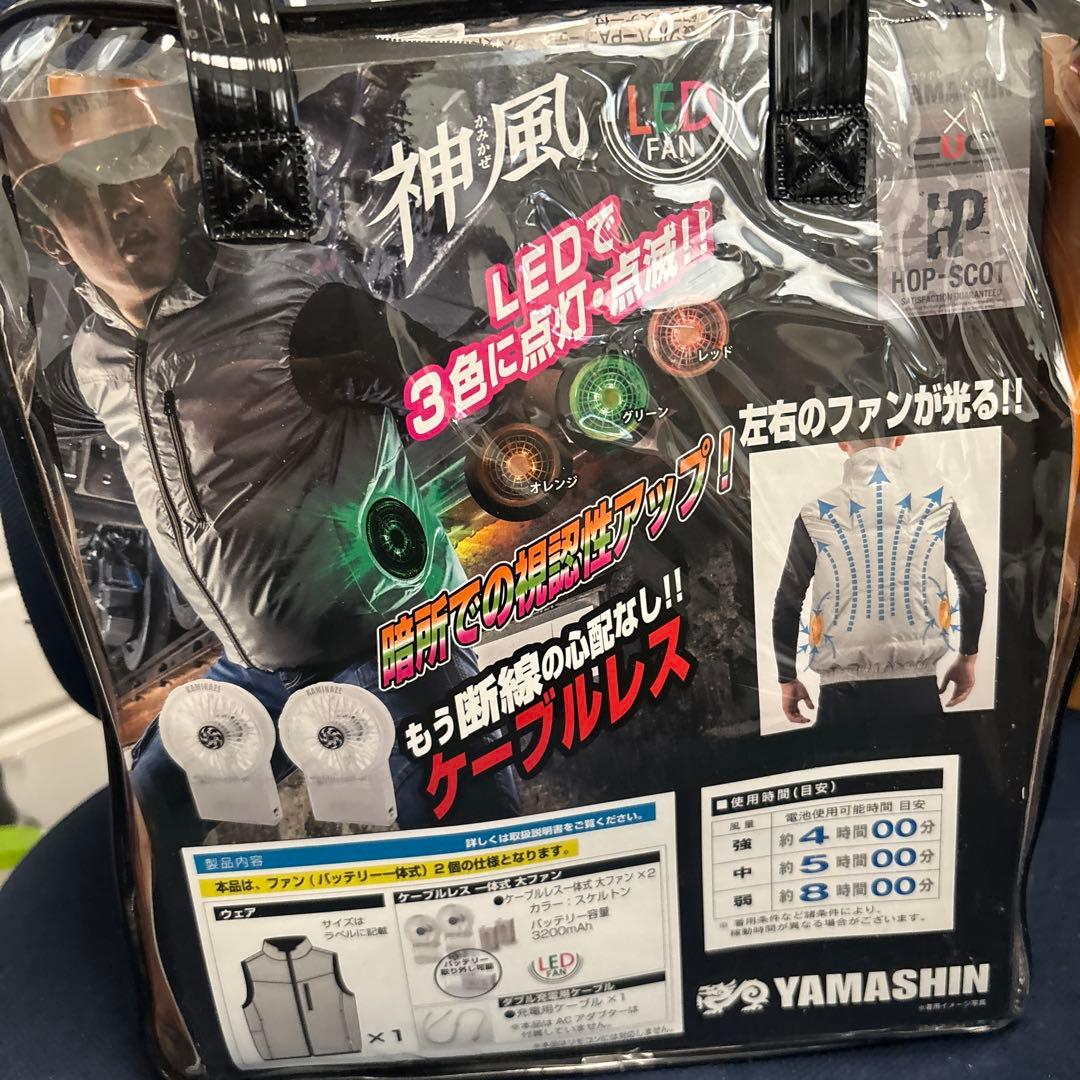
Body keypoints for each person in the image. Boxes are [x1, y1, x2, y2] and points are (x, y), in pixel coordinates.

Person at [1, 76, 519, 848]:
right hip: (253, 672)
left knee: (477, 850)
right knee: (138, 837)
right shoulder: (89, 358)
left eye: (138, 175)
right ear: (52, 240)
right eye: (89, 197)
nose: (123, 208)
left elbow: (458, 371)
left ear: (177, 183)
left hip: (394, 645)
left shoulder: (290, 298)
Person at [772, 435, 986, 730]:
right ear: (900, 438)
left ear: (841, 442)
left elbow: (787, 602)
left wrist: (787, 677)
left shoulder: (814, 514)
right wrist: (967, 658)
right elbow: (974, 583)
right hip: (917, 692)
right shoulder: (939, 507)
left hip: (841, 697)